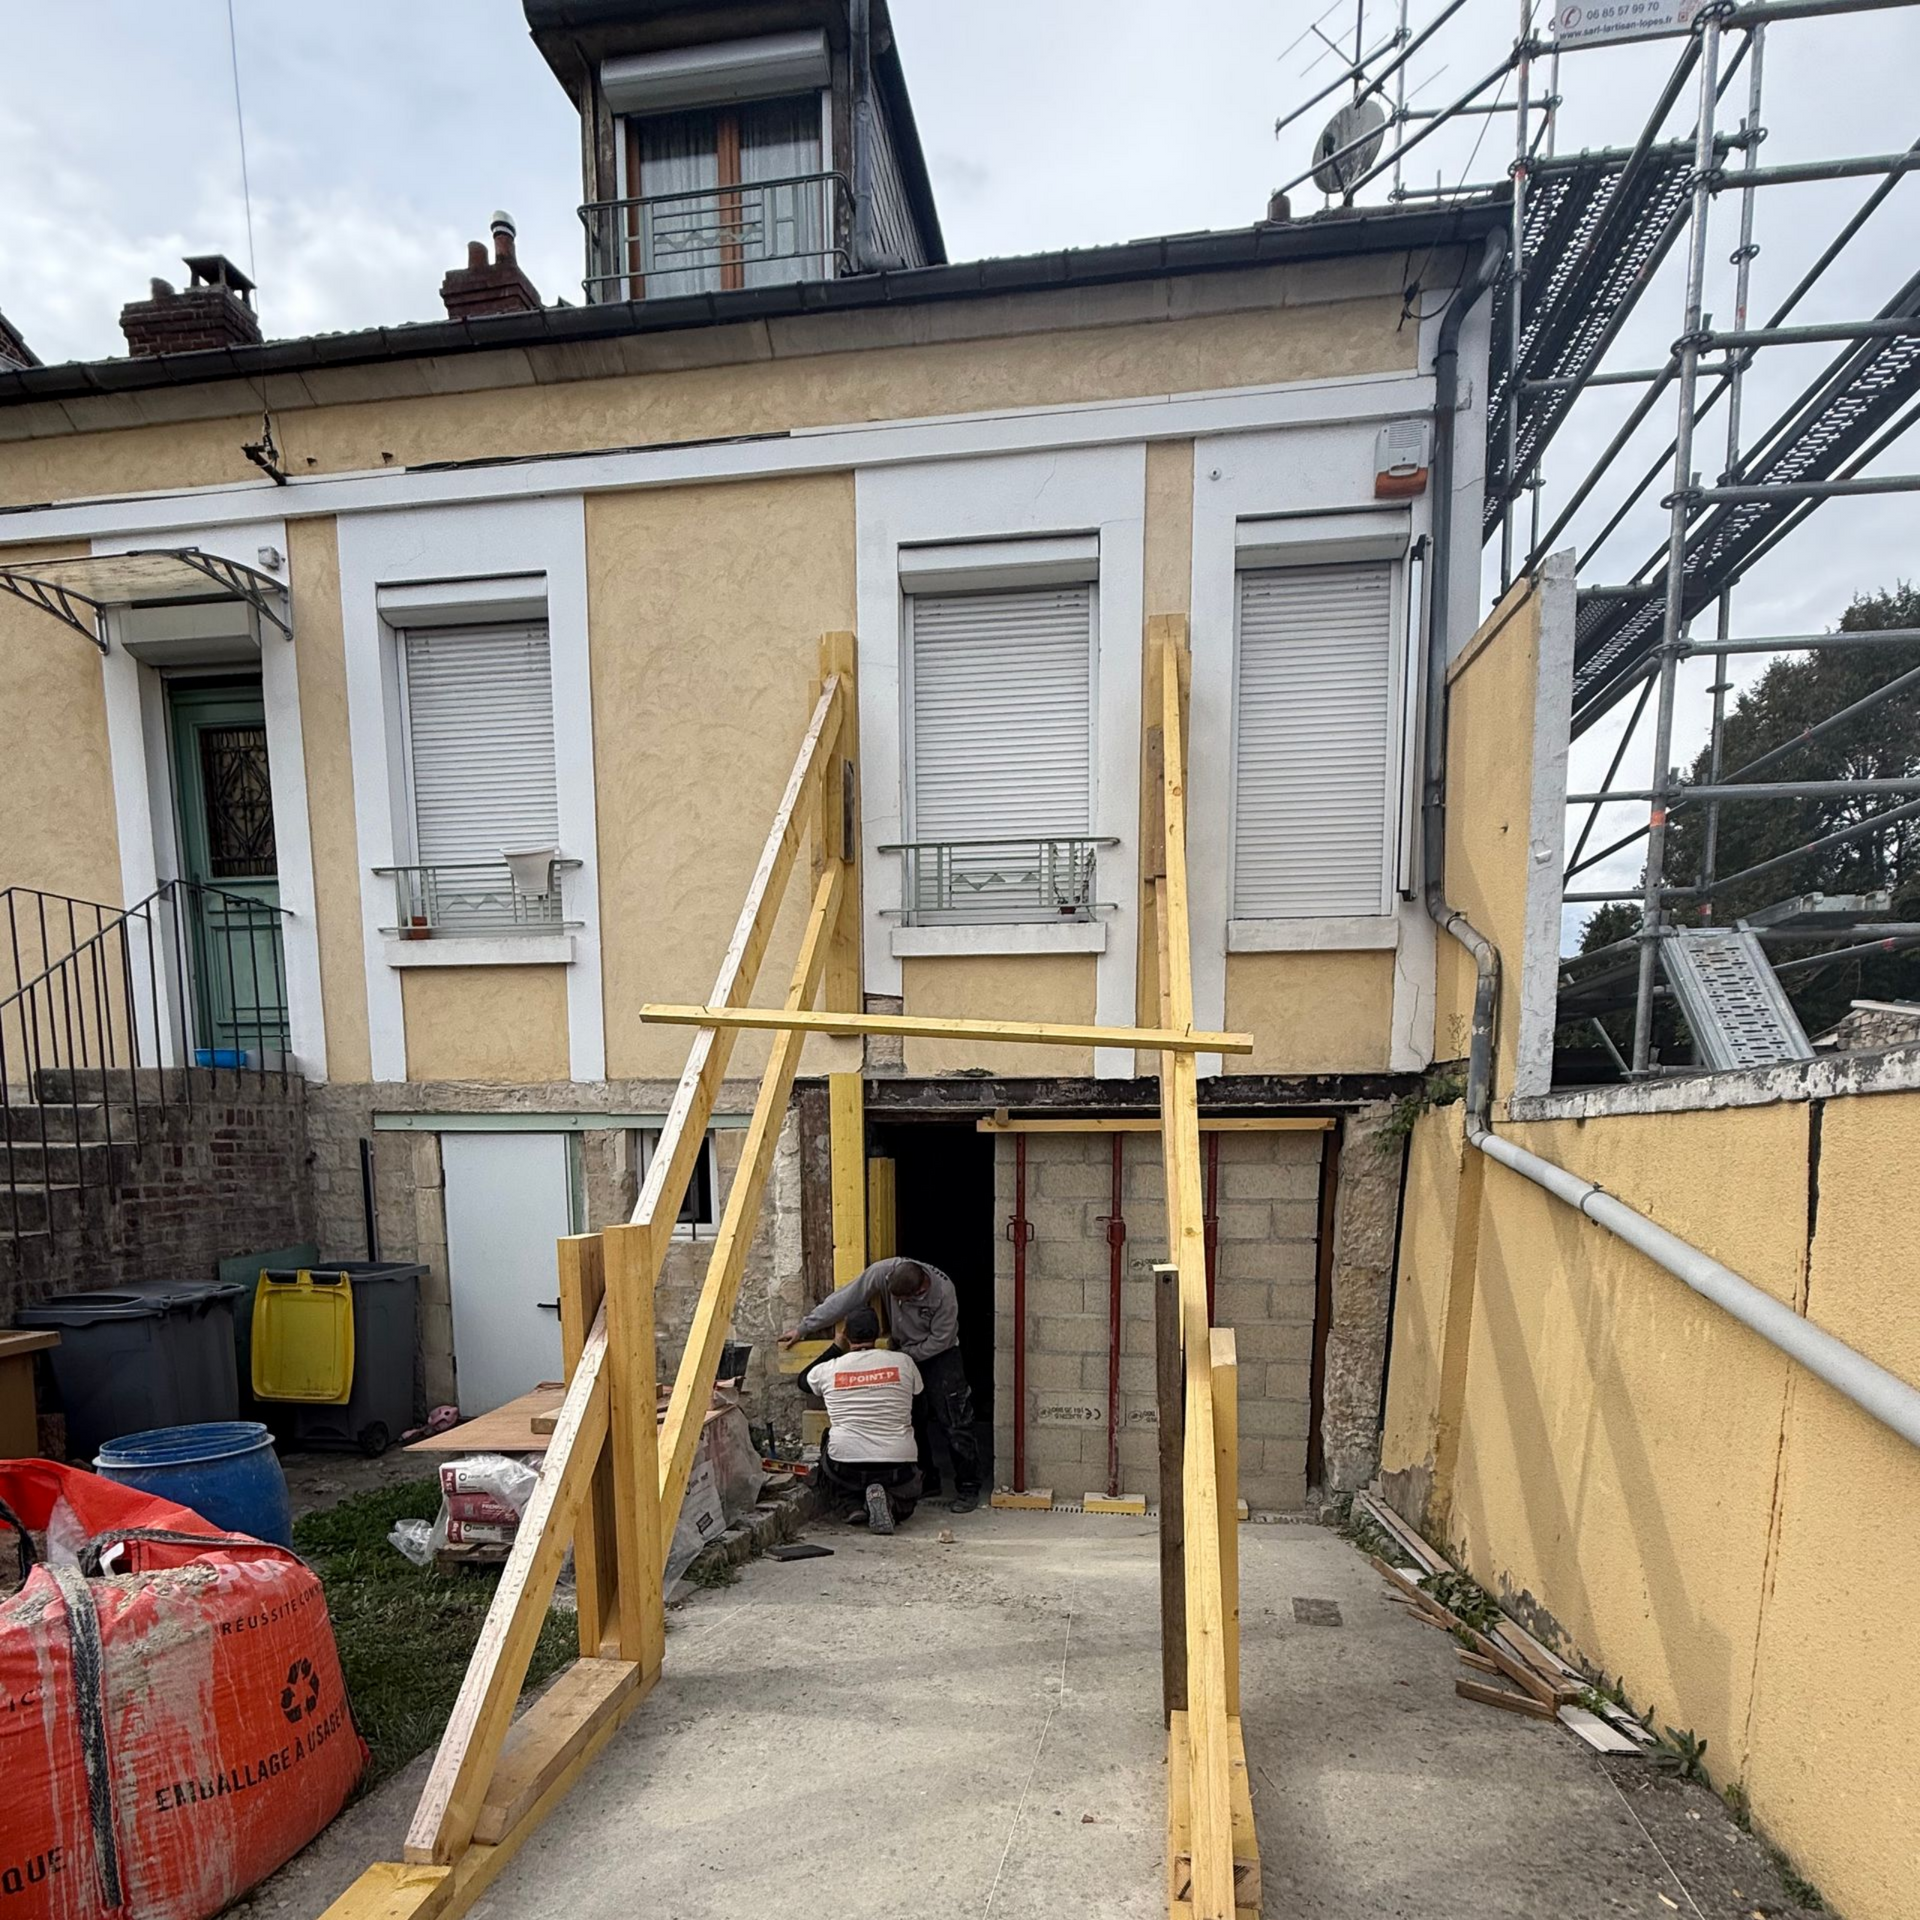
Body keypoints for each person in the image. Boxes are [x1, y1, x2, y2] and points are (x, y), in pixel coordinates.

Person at [779, 1255, 983, 1513]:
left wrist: (902, 1359)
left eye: (904, 1300)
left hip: (939, 1354)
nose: (897, 1304)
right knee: (912, 1418)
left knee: (955, 1420)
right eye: (894, 1298)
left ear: (921, 1289)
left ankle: (968, 1486)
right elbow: (847, 1298)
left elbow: (941, 1339)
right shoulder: (885, 1271)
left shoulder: (943, 1292)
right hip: (903, 1351)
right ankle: (926, 1478)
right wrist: (804, 1327)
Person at [804, 1307, 923, 1534]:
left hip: (846, 1465)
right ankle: (889, 1503)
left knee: (830, 1441)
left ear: (846, 1335)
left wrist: (835, 1348)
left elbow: (803, 1380)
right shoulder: (904, 1362)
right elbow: (919, 1397)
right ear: (878, 1334)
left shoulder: (829, 1369)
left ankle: (851, 1506)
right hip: (897, 1464)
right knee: (907, 1499)